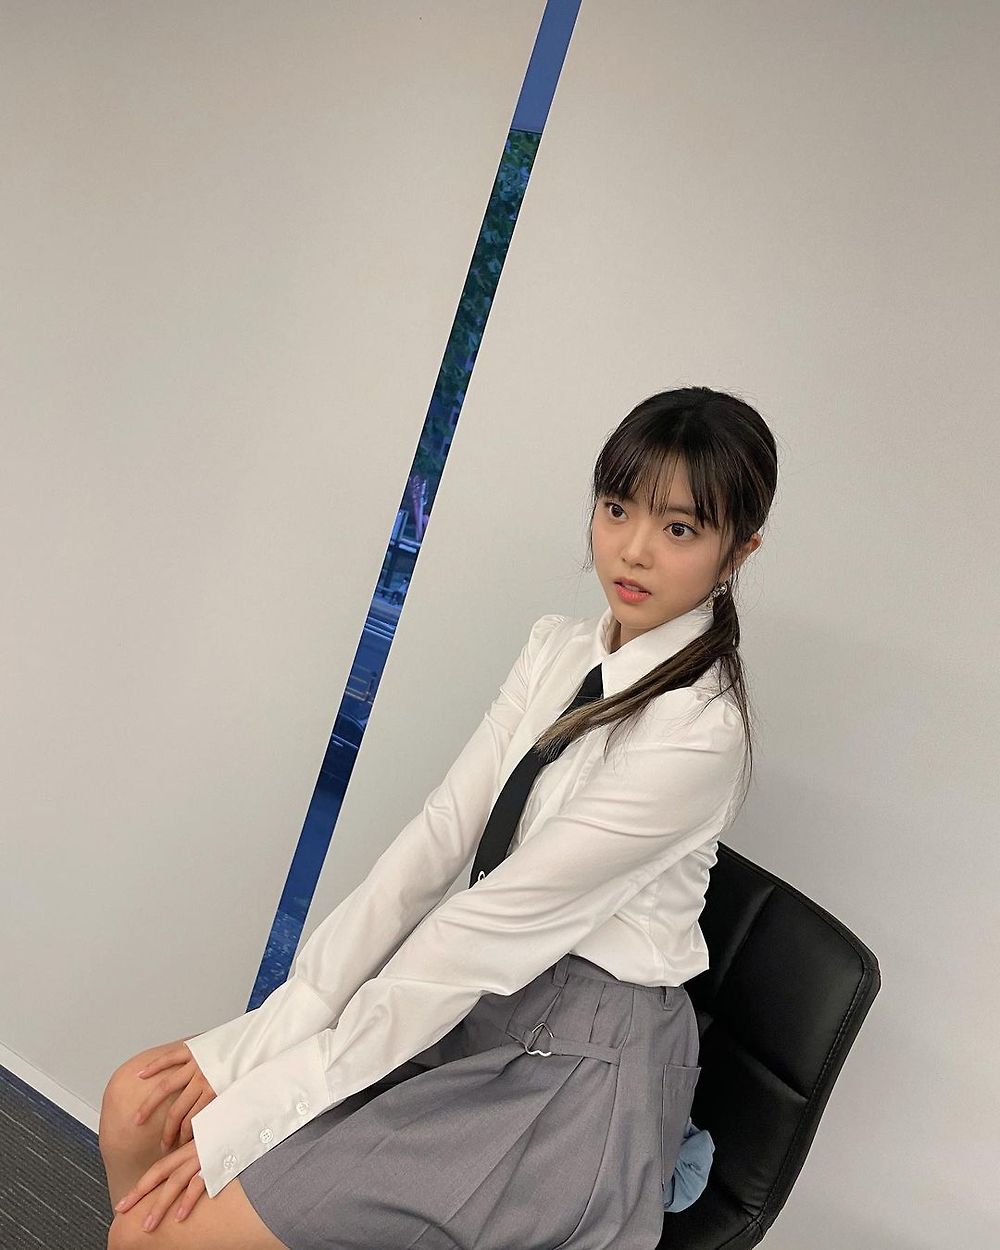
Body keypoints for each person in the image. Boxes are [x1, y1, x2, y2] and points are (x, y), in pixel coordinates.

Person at [100, 385, 777, 1249]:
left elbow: (486, 928)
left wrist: (267, 1097)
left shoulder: (701, 732)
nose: (633, 549)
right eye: (616, 509)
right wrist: (279, 1025)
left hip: (576, 1063)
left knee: (155, 1233)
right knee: (135, 1106)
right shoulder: (557, 648)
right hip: (469, 1000)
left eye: (679, 528)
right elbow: (437, 839)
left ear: (738, 551)